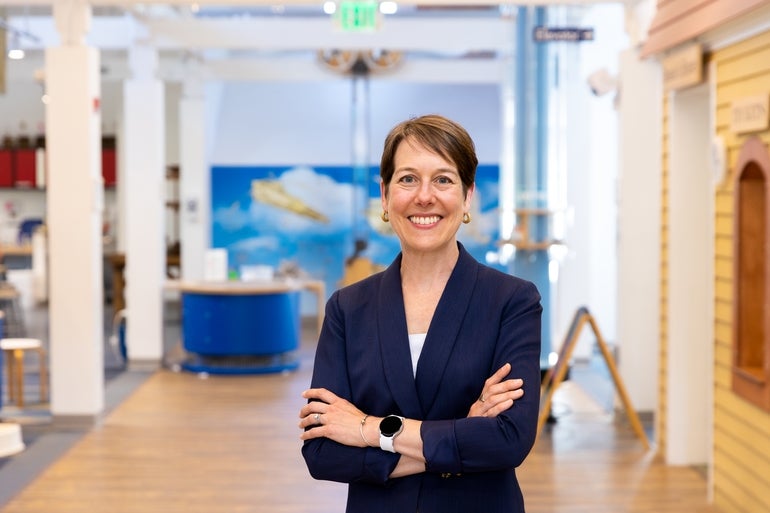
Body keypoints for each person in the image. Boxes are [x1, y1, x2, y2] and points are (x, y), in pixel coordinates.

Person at [299, 114, 542, 513]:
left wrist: (366, 428)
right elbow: (323, 454)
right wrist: (462, 432)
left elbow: (508, 441)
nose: (424, 196)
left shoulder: (511, 301)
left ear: (466, 196)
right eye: (408, 179)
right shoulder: (347, 308)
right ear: (385, 194)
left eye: (443, 179)